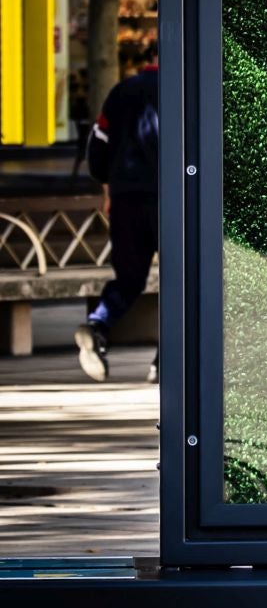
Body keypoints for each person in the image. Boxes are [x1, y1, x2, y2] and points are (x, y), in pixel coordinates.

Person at [77, 46, 160, 383]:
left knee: (129, 278)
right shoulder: (184, 88)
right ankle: (164, 360)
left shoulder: (122, 91)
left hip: (125, 199)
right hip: (168, 199)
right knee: (182, 280)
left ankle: (98, 325)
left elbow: (98, 147)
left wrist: (107, 183)